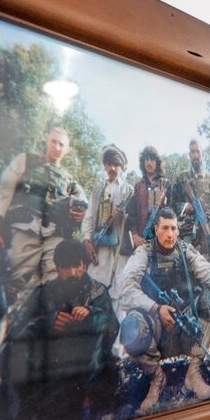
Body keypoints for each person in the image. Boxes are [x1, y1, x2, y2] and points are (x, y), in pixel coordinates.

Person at [0, 239, 120, 420]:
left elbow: (113, 328)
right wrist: (49, 322)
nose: (73, 272)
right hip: (52, 366)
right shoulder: (43, 293)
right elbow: (16, 332)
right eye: (66, 267)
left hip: (89, 368)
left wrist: (92, 315)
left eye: (77, 265)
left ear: (84, 265)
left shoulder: (97, 292)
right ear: (58, 268)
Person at [118, 207, 210, 415]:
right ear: (156, 229)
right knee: (130, 326)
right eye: (165, 228)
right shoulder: (144, 253)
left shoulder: (185, 250)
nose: (170, 234)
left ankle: (193, 373)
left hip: (185, 325)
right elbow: (124, 290)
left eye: (173, 228)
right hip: (156, 329)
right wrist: (156, 308)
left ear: (178, 231)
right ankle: (157, 378)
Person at [0, 126, 87, 303]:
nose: (56, 147)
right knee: (6, 284)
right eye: (54, 141)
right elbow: (3, 191)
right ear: (47, 140)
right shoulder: (26, 162)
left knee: (57, 287)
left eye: (61, 144)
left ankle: (44, 326)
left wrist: (81, 215)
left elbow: (86, 210)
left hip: (55, 237)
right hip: (25, 228)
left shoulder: (70, 181)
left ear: (66, 150)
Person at [81, 144, 134, 353]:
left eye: (116, 164)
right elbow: (89, 218)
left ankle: (120, 348)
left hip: (120, 251)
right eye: (108, 164)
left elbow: (133, 222)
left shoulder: (128, 190)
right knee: (95, 292)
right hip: (100, 251)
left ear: (122, 167)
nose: (112, 168)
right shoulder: (97, 190)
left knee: (120, 296)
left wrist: (123, 216)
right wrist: (87, 241)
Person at [172, 139, 210, 261]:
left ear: (203, 154)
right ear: (189, 155)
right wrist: (184, 207)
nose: (196, 155)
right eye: (192, 152)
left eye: (198, 151)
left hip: (208, 235)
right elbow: (170, 206)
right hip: (187, 235)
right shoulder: (181, 178)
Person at [124, 146, 172, 250]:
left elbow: (173, 213)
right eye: (146, 159)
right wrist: (134, 235)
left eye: (152, 159)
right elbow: (131, 215)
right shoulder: (138, 186)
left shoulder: (166, 185)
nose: (149, 162)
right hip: (141, 241)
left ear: (157, 162)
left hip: (162, 241)